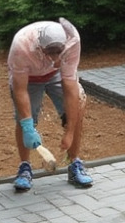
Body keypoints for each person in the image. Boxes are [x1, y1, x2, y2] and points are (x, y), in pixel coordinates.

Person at [7, 18, 93, 192]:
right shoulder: (21, 45)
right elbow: (20, 90)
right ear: (40, 47)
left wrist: (69, 131)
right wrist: (28, 126)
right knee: (24, 119)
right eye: (50, 53)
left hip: (56, 75)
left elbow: (69, 86)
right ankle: (25, 168)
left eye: (58, 53)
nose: (54, 58)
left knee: (77, 108)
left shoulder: (72, 40)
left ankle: (74, 163)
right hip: (28, 78)